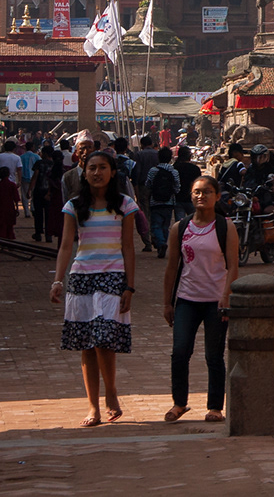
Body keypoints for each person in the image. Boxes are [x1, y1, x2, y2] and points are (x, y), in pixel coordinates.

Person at [50, 150, 137, 427]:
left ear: (112, 172)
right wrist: (58, 280)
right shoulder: (73, 206)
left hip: (112, 276)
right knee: (86, 344)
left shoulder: (125, 205)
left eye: (102, 168)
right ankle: (93, 407)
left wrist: (130, 287)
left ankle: (111, 393)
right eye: (91, 168)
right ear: (83, 172)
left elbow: (128, 247)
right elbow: (66, 245)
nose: (97, 173)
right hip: (81, 277)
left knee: (104, 339)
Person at [162, 175, 237, 423]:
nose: (200, 196)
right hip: (187, 298)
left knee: (213, 356)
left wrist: (226, 297)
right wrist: (166, 302)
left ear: (217, 196)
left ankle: (215, 406)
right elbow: (172, 267)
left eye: (206, 192)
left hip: (216, 301)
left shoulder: (225, 227)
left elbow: (233, 266)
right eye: (196, 192)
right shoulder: (180, 228)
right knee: (180, 351)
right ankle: (179, 403)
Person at [145, 148, 181, 258]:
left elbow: (148, 184)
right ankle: (163, 243)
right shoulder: (174, 171)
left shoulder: (153, 170)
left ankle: (161, 243)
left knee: (156, 225)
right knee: (166, 225)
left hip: (155, 202)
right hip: (169, 202)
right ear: (170, 158)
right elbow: (177, 188)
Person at [34, 146, 66, 245]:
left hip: (40, 191)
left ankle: (38, 233)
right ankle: (49, 235)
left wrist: (30, 189)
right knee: (49, 215)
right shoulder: (63, 170)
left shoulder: (40, 164)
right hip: (56, 196)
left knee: (38, 213)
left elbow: (35, 176)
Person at [172, 147, 203, 224]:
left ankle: (182, 235)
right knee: (195, 222)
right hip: (191, 198)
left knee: (180, 223)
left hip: (178, 198)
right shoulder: (195, 169)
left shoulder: (175, 168)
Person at [0, 140, 22, 214]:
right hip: (12, 180)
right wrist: (19, 181)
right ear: (14, 148)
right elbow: (19, 170)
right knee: (11, 197)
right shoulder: (17, 158)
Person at [0, 166, 18, 238]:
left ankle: (2, 243)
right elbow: (16, 198)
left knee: (1, 227)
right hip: (10, 207)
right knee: (10, 226)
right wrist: (16, 208)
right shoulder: (12, 185)